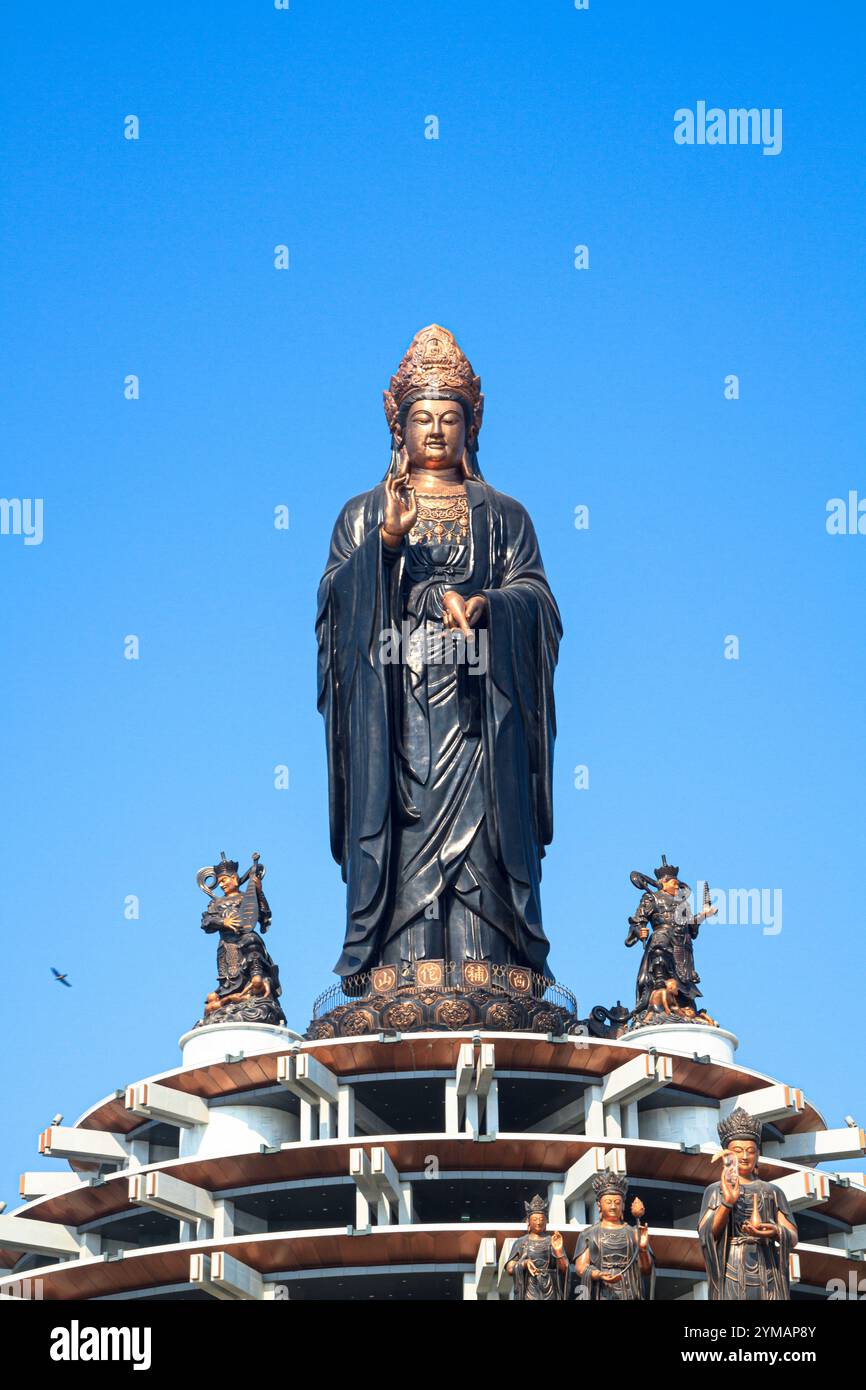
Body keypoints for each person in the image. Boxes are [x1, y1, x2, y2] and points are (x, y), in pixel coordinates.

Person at [317, 326, 562, 985]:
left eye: (449, 417)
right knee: (402, 837)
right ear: (398, 424)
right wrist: (385, 548)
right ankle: (405, 965)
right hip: (395, 716)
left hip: (480, 712)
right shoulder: (364, 513)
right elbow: (336, 608)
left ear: (470, 426)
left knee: (483, 839)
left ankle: (489, 965)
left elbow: (536, 596)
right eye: (421, 417)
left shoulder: (504, 515)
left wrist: (491, 606)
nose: (434, 431)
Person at [698, 1107, 798, 1300]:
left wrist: (775, 1231)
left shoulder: (772, 1192)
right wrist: (727, 1203)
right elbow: (707, 1235)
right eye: (738, 1151)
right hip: (731, 1266)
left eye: (750, 1151)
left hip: (766, 1265)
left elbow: (792, 1237)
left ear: (758, 1155)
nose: (744, 1156)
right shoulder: (715, 1190)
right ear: (727, 1154)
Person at [573, 1170, 655, 1300]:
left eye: (617, 1203)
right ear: (599, 1205)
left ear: (623, 1206)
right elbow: (581, 1268)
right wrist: (599, 1274)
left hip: (630, 1291)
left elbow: (646, 1270)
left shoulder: (633, 1232)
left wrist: (643, 1249)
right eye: (608, 1202)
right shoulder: (589, 1234)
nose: (612, 1207)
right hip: (602, 1291)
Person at [506, 1195, 569, 1300]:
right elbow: (510, 1268)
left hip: (550, 1289)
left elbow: (564, 1269)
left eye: (541, 1219)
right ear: (528, 1222)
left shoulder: (552, 1241)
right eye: (535, 1219)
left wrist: (558, 1252)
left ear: (546, 1222)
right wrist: (524, 1263)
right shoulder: (521, 1242)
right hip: (529, 1288)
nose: (539, 1222)